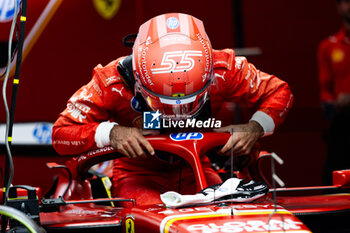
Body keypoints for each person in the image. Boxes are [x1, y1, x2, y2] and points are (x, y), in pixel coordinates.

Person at [52, 13, 293, 206]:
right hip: (138, 174)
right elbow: (61, 134)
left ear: (209, 78)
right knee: (146, 215)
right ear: (138, 82)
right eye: (163, 101)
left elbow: (280, 92)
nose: (178, 113)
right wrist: (111, 133)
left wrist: (255, 127)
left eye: (191, 100)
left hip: (197, 168)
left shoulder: (224, 68)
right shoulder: (110, 82)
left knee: (226, 214)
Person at [318, 0, 350, 185]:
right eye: (346, 1)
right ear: (338, 7)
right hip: (342, 122)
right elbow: (325, 92)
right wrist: (334, 103)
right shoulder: (328, 46)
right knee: (333, 181)